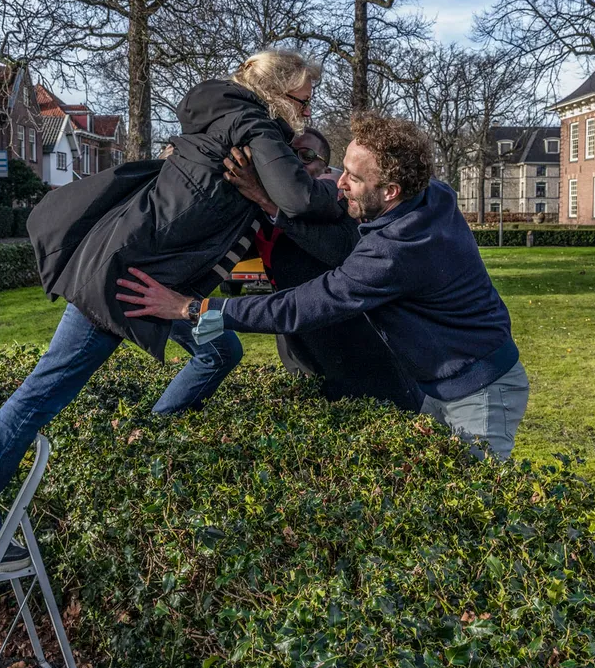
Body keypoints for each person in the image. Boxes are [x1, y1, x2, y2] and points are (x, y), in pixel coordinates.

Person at [0, 50, 342, 572]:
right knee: (42, 393)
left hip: (151, 280)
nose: (308, 112)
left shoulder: (227, 121)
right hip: (123, 281)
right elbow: (300, 198)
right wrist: (340, 200)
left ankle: (153, 435)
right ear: (279, 93)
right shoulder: (251, 124)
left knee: (220, 348)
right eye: (304, 100)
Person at [118, 112, 529, 460]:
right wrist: (269, 197)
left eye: (352, 177)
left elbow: (300, 306)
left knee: (474, 519)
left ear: (389, 191)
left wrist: (193, 309)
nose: (338, 183)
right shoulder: (431, 193)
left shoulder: (394, 252)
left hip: (481, 394)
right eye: (342, 168)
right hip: (436, 382)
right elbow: (329, 197)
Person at [246, 129, 423, 411]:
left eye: (304, 156)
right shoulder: (259, 210)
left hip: (354, 346)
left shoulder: (342, 204)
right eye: (286, 157)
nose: (293, 164)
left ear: (325, 169)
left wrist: (269, 205)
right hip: (298, 342)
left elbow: (342, 251)